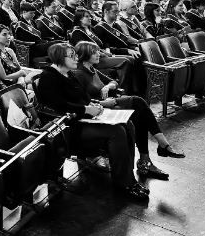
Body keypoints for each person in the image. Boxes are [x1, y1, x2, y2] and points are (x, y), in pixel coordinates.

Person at [33, 43, 150, 202]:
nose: (76, 58)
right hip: (68, 127)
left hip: (83, 118)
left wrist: (92, 104)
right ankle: (125, 183)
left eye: (75, 55)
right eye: (71, 56)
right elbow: (58, 106)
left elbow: (82, 97)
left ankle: (126, 174)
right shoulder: (49, 76)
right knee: (117, 132)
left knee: (127, 124)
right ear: (60, 58)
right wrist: (85, 109)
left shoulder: (68, 73)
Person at [73, 41, 184, 179]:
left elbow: (114, 81)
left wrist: (107, 87)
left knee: (140, 115)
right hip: (99, 111)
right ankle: (158, 149)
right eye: (94, 52)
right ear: (85, 54)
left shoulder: (92, 69)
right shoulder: (79, 73)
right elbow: (86, 104)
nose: (98, 54)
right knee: (138, 102)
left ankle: (147, 159)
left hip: (108, 105)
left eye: (97, 51)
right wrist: (107, 102)